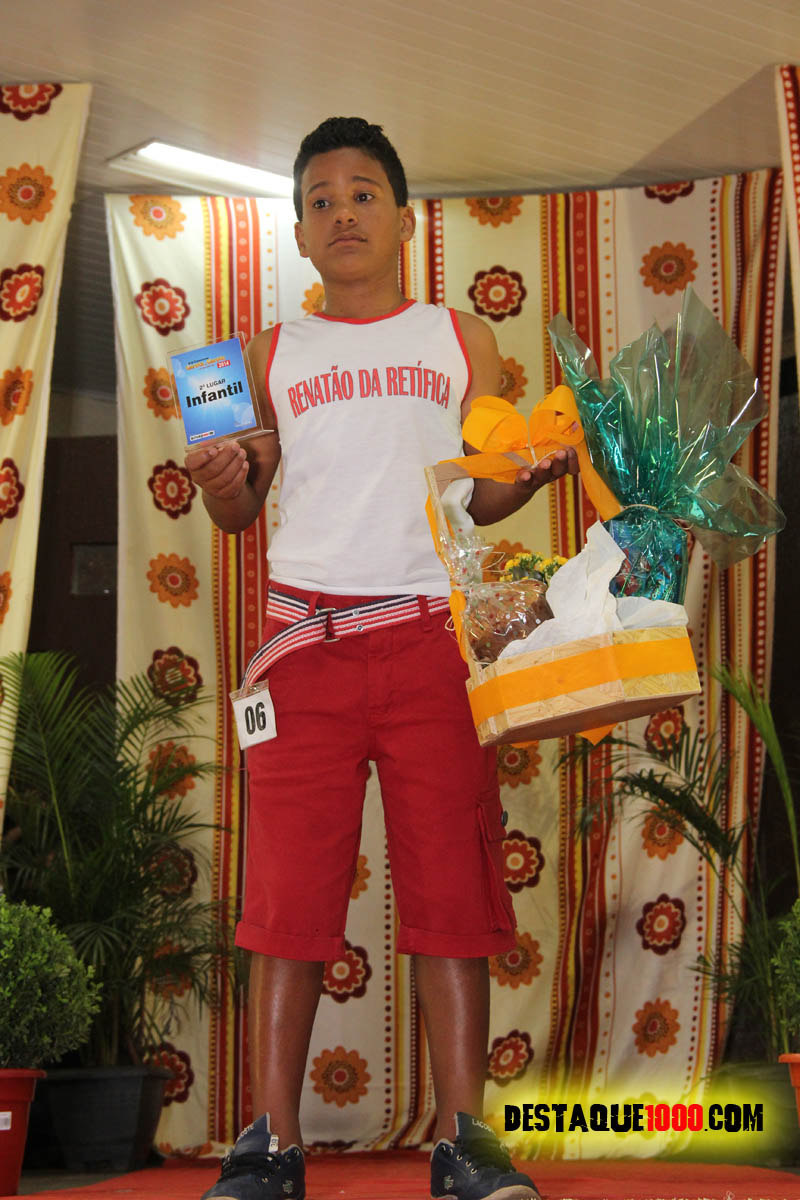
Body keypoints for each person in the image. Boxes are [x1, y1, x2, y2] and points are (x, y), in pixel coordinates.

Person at [187, 117, 578, 1200]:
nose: (342, 212)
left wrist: (532, 473)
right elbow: (235, 511)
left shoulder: (462, 338)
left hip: (428, 643)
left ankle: (465, 1146)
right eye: (319, 199)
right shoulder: (258, 354)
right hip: (300, 649)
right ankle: (270, 1147)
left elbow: (479, 493)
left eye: (363, 193)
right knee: (285, 901)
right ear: (300, 234)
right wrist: (222, 480)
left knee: (453, 887)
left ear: (405, 220)